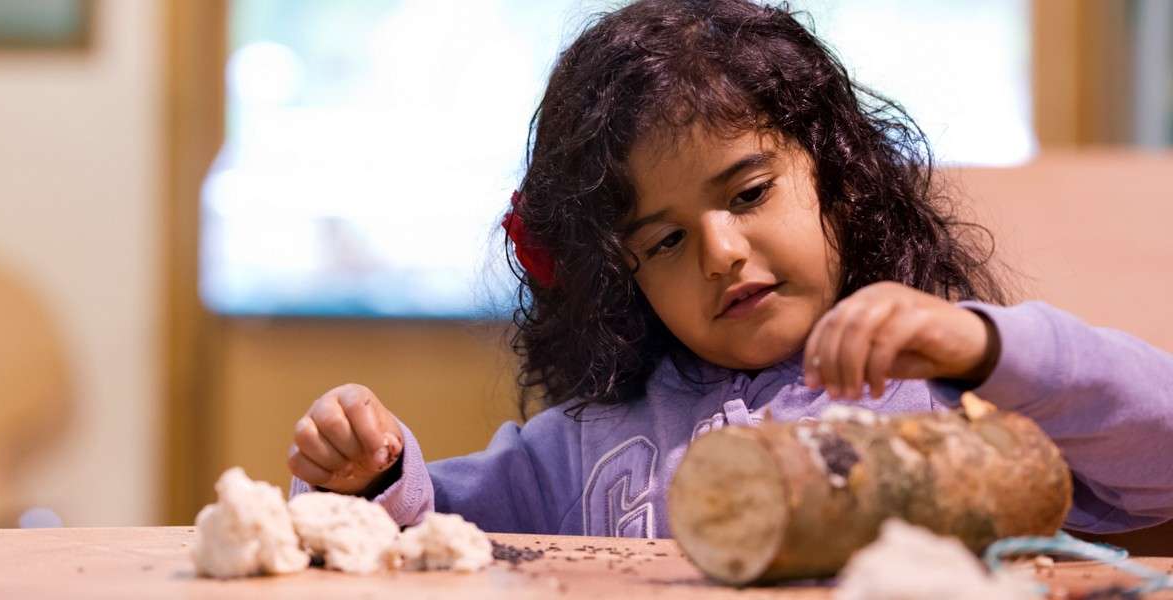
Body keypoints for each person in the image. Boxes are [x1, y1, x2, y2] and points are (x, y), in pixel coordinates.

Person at [285, 0, 1173, 538]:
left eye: (748, 195)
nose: (719, 252)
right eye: (663, 242)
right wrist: (365, 472)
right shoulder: (583, 446)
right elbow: (426, 530)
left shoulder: (963, 401)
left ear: (840, 177)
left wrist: (982, 347)